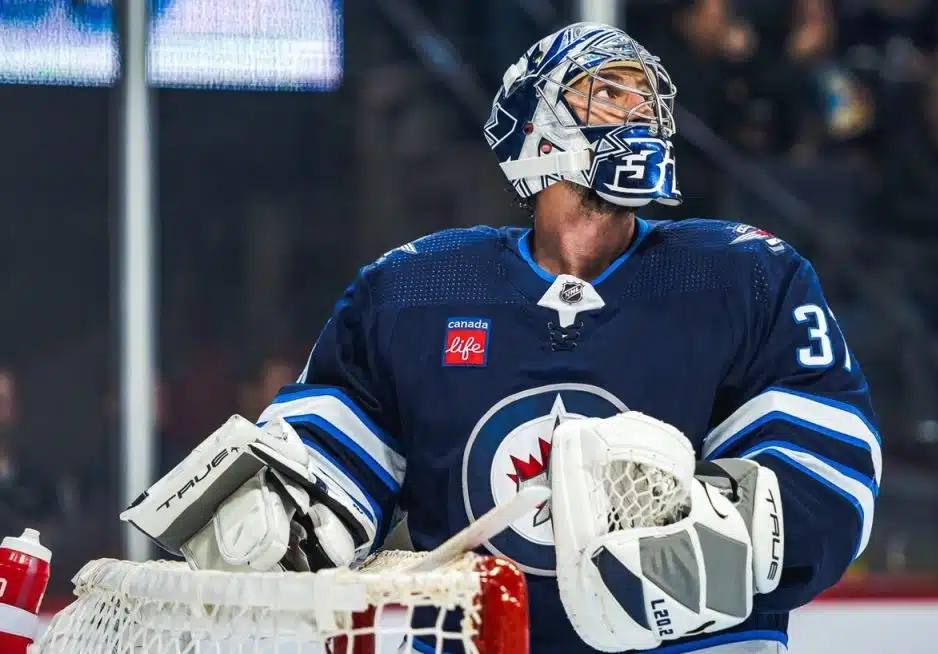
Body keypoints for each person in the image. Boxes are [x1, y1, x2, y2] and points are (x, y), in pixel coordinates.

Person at [122, 23, 881, 654]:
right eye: (607, 93)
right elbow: (333, 451)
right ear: (538, 125)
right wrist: (288, 518)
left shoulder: (745, 275)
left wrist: (725, 530)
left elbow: (828, 468)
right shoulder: (416, 289)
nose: (638, 115)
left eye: (645, 98)